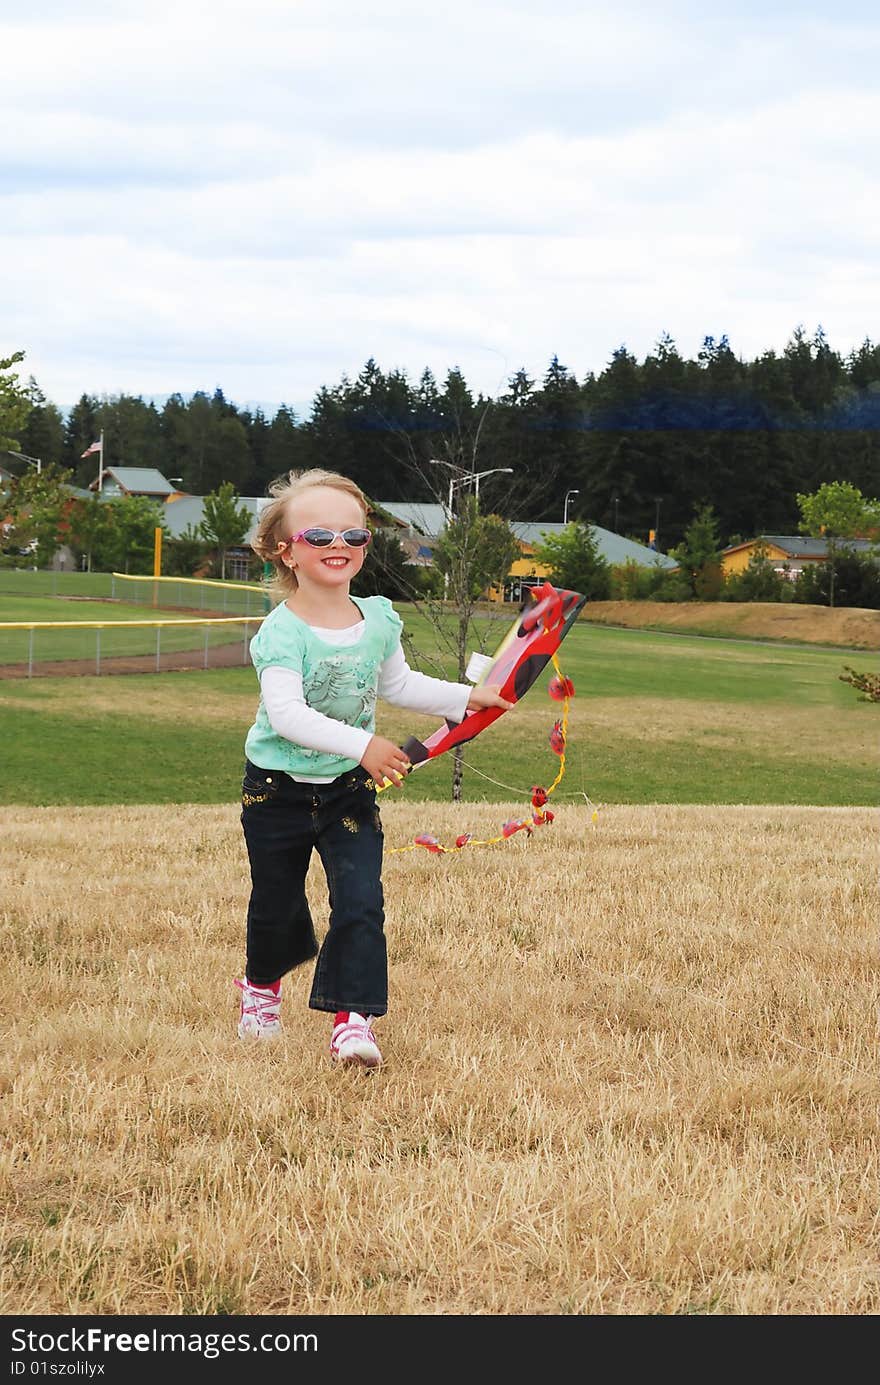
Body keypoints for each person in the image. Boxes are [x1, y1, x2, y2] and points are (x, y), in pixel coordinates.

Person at [236, 468, 513, 1068]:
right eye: (319, 536)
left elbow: (400, 684)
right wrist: (361, 745)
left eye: (354, 536)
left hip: (347, 793)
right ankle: (261, 990)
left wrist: (464, 700)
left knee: (361, 900)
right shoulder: (280, 633)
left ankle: (352, 1019)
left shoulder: (380, 620)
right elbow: (286, 715)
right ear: (286, 550)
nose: (339, 546)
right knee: (277, 902)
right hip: (276, 792)